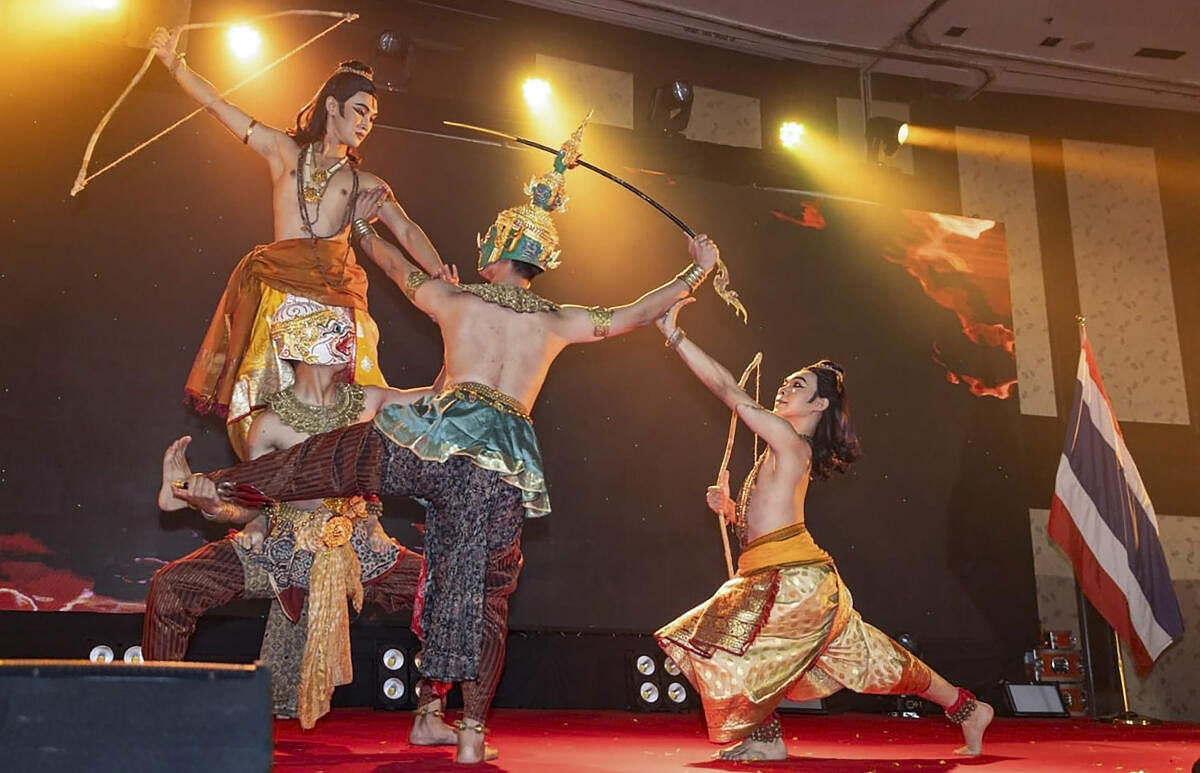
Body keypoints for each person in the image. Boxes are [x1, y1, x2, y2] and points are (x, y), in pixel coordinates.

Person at [160, 119, 722, 764]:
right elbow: (636, 312)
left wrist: (365, 226)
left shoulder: (458, 299)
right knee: (483, 587)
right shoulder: (561, 321)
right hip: (505, 464)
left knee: (335, 459)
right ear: (541, 262)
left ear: (495, 251)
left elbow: (399, 271)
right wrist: (695, 273)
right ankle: (471, 733)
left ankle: (200, 487)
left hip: (437, 441)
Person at [652, 296, 993, 762]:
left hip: (794, 582)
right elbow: (766, 525)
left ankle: (768, 738)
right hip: (788, 577)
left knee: (717, 639)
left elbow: (730, 392)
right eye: (787, 382)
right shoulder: (781, 449)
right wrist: (732, 510)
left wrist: (675, 336)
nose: (784, 389)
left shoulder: (791, 442)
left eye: (798, 385)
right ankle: (966, 707)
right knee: (876, 661)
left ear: (819, 403)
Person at [147, 27, 446, 457]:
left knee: (352, 405)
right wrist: (175, 64)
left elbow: (407, 231)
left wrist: (440, 277)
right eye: (360, 111)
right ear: (332, 106)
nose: (365, 123)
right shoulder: (283, 151)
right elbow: (219, 106)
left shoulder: (364, 182)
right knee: (261, 400)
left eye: (372, 118)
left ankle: (336, 490)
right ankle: (269, 498)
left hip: (334, 300)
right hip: (277, 292)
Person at [146, 295, 435, 730]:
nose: (347, 337)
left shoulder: (369, 402)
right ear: (300, 344)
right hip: (284, 551)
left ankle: (433, 715)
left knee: (446, 591)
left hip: (361, 551)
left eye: (344, 328)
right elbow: (249, 509)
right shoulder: (269, 425)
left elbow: (437, 400)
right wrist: (207, 504)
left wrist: (454, 324)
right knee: (171, 586)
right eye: (334, 329)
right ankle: (155, 713)